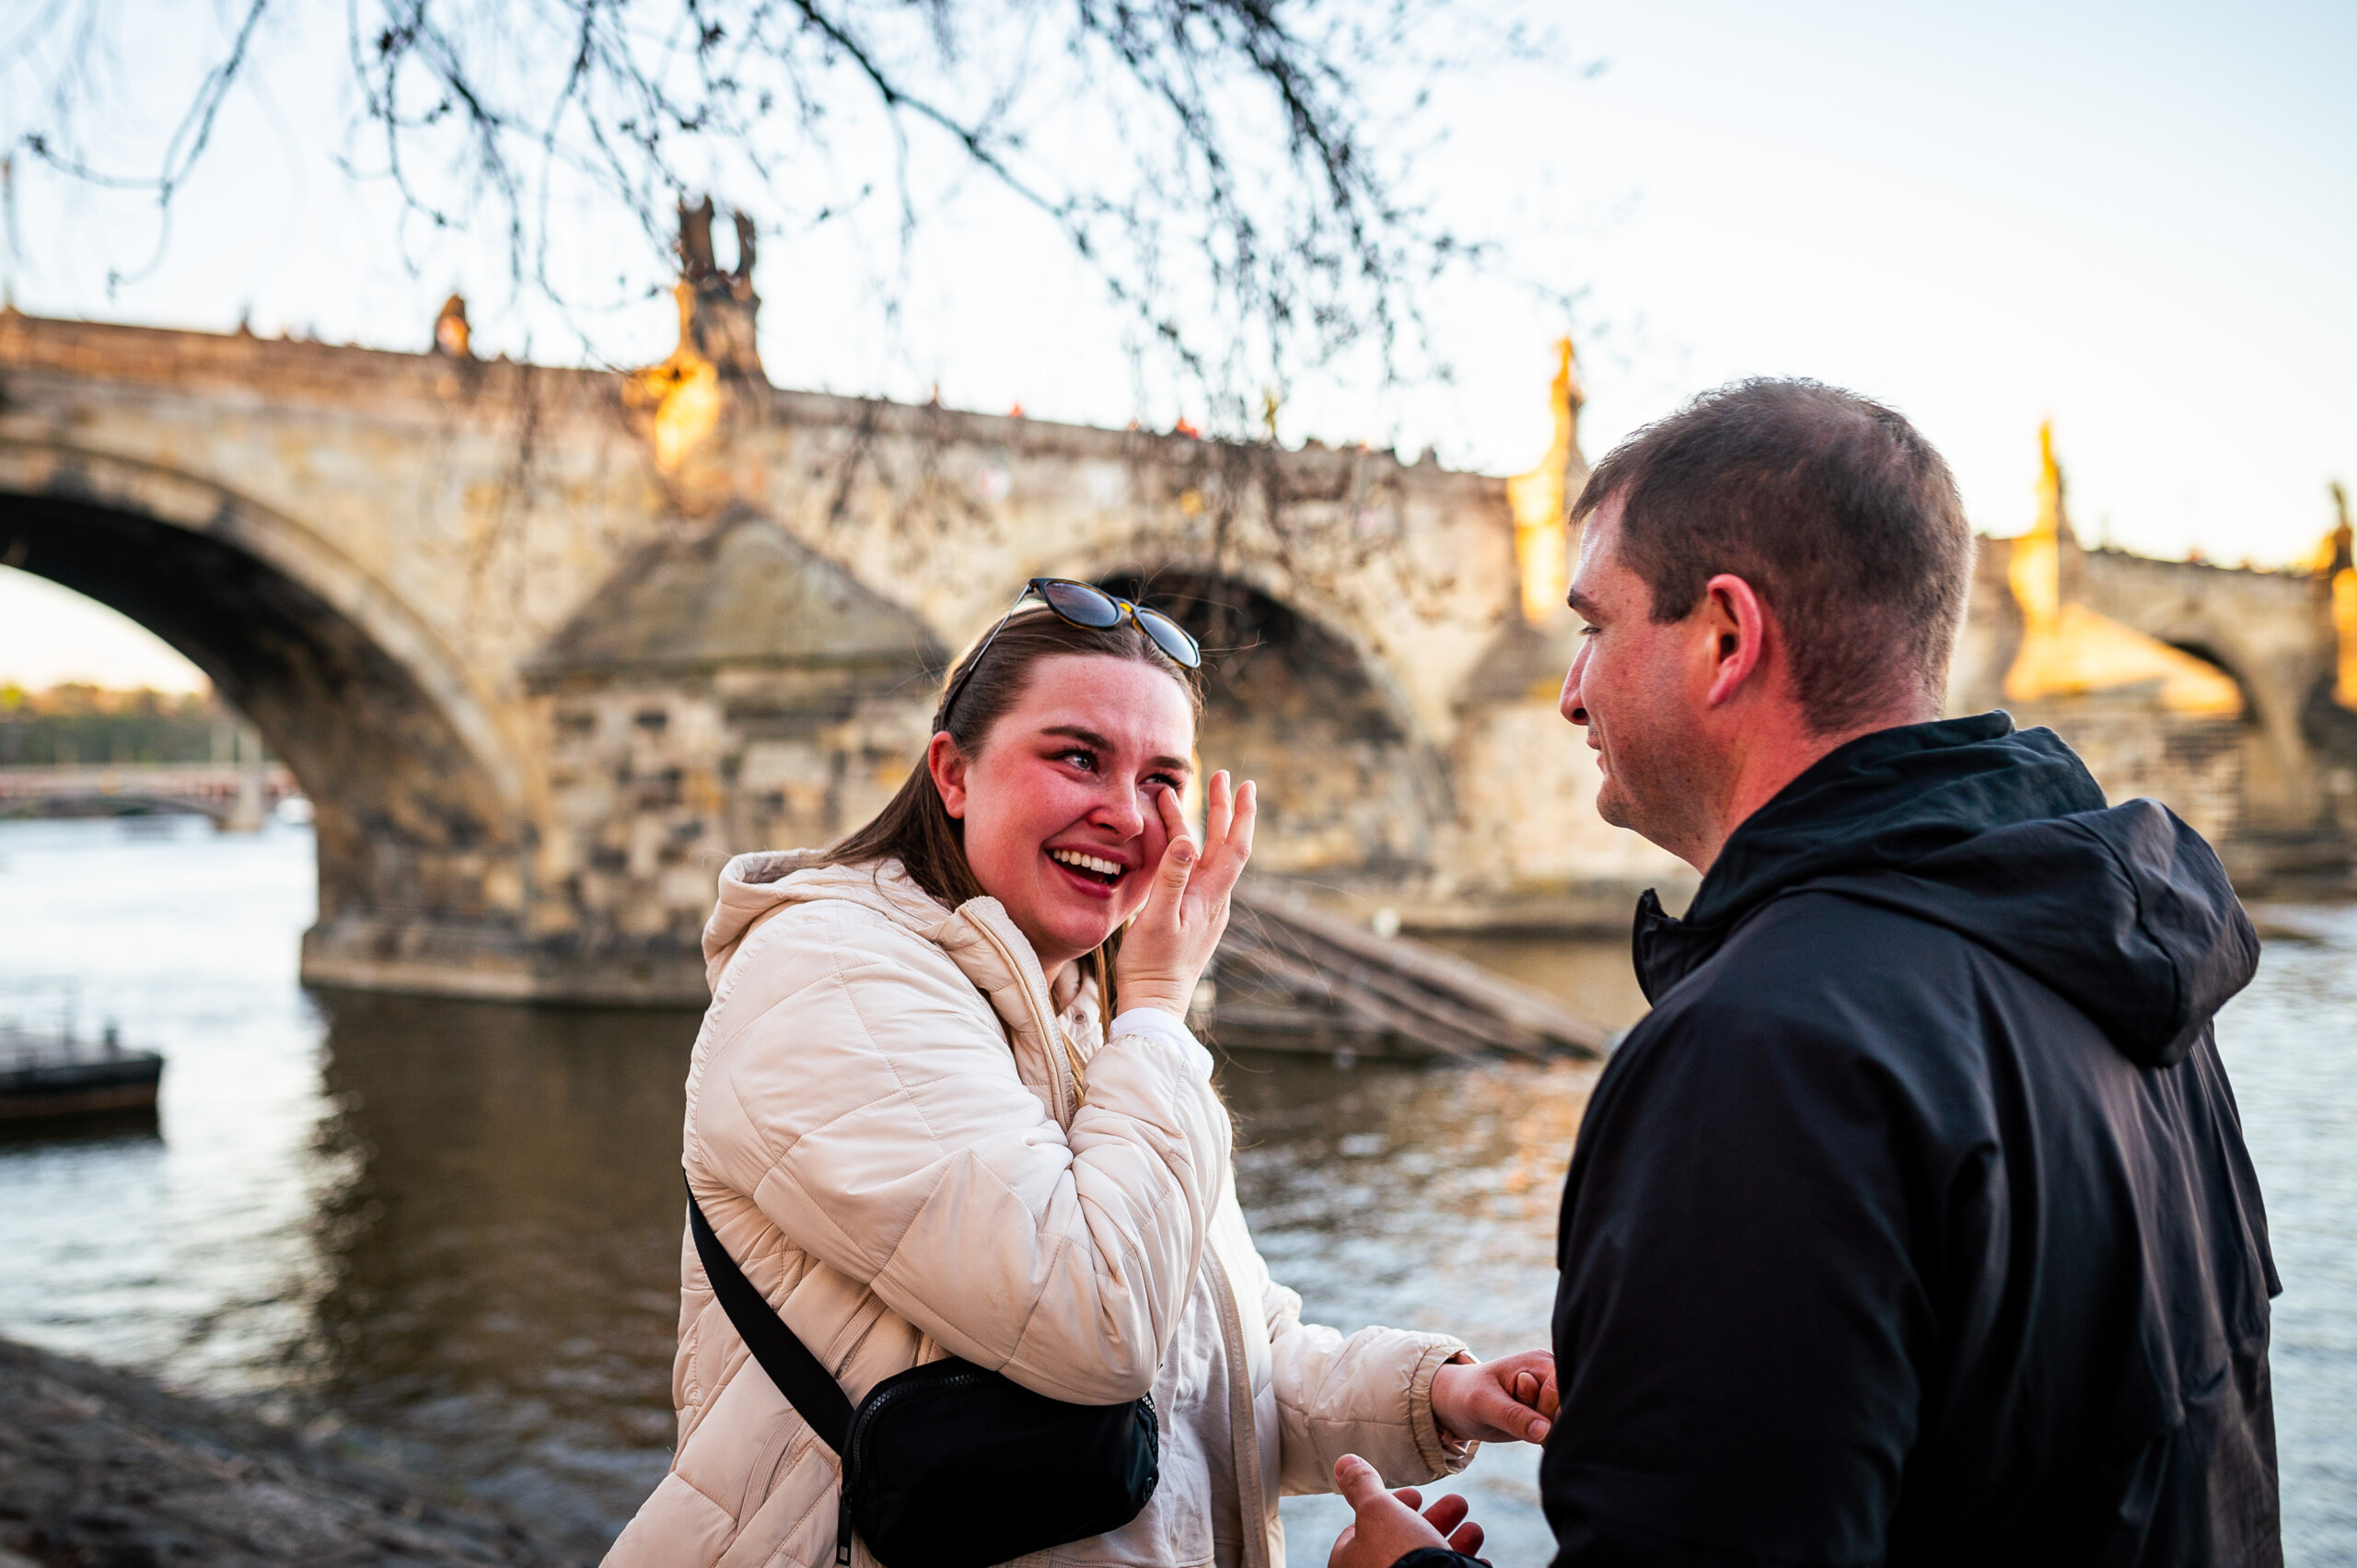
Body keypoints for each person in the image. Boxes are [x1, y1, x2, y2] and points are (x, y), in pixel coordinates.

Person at [1327, 381, 2280, 1568]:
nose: (1569, 690)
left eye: (1594, 625)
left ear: (1726, 637)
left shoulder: (1764, 1053)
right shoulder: (2136, 980)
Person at [608, 582, 1551, 1568]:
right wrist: (1156, 1003)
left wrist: (1437, 1392)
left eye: (1161, 777)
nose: (1124, 812)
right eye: (1077, 757)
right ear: (953, 771)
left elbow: (1216, 1362)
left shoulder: (1088, 1014)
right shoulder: (831, 974)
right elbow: (1096, 1323)